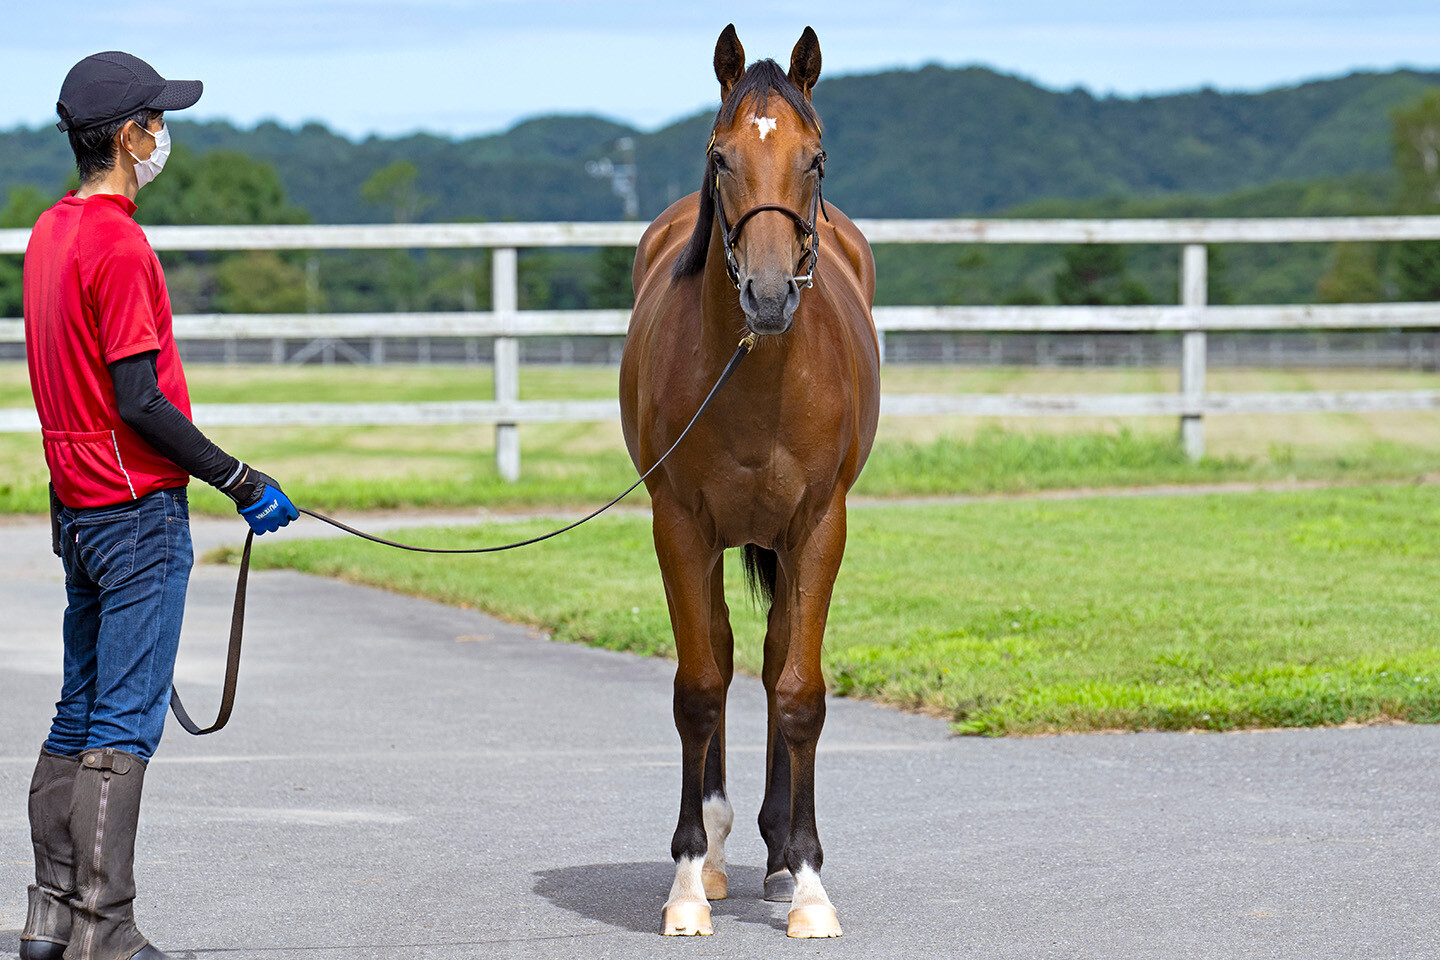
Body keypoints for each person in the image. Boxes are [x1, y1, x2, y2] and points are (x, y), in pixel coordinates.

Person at [20, 52, 300, 960]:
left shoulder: (48, 235)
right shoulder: (120, 244)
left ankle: (51, 917)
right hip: (137, 511)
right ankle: (108, 930)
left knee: (76, 710)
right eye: (157, 120)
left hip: (77, 509)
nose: (162, 136)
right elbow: (139, 399)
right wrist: (242, 480)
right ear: (131, 135)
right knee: (122, 724)